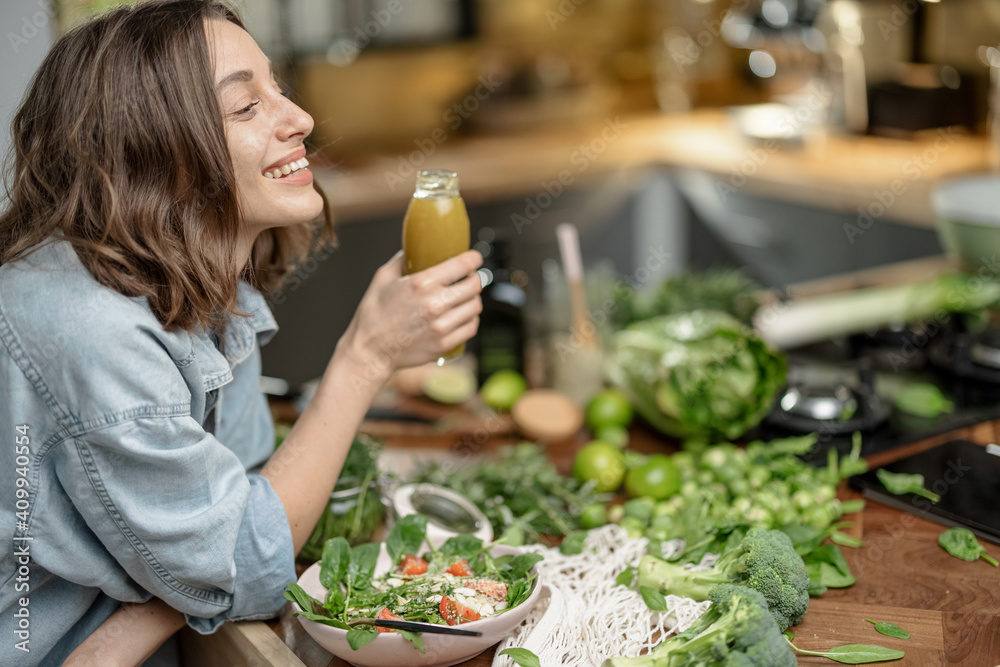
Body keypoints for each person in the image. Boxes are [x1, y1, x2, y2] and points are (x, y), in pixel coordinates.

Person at [0, 1, 483, 664]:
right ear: (157, 149)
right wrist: (364, 356)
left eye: (276, 88)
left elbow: (242, 493)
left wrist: (141, 622)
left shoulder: (200, 276)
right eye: (247, 106)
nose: (301, 118)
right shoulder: (90, 325)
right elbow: (241, 563)